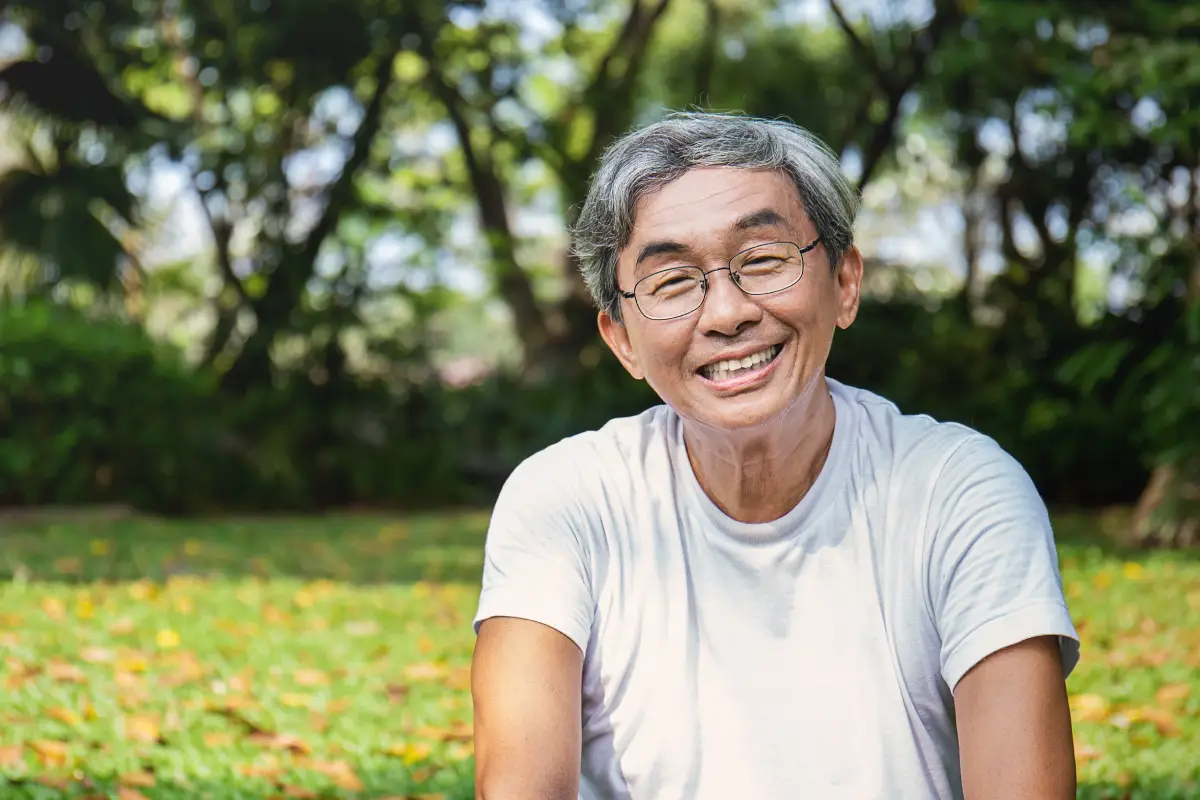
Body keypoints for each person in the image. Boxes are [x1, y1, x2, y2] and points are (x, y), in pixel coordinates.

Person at [470, 111, 1080, 799]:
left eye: (763, 260)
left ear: (844, 282)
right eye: (672, 281)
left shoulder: (960, 490)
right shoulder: (565, 500)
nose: (726, 313)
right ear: (622, 342)